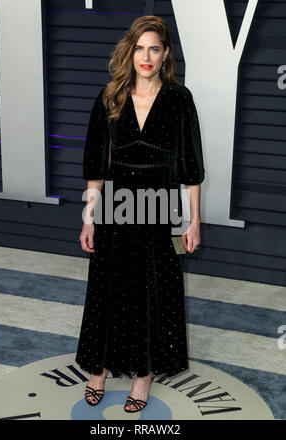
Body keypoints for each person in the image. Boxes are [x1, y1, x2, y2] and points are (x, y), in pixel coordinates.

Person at [75, 15, 205, 413]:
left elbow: (191, 167)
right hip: (115, 205)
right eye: (139, 48)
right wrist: (88, 216)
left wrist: (193, 220)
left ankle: (143, 375)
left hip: (160, 206)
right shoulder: (110, 97)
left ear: (165, 54)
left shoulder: (179, 99)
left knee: (152, 292)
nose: (145, 56)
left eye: (154, 49)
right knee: (108, 289)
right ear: (129, 51)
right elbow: (96, 163)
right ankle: (98, 369)